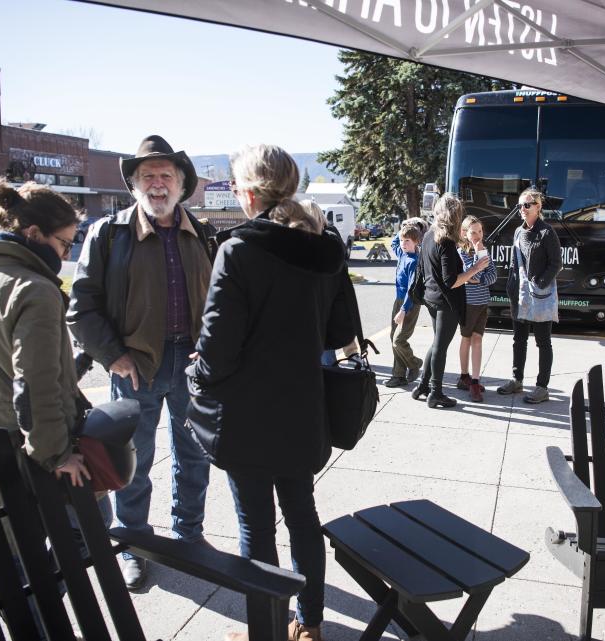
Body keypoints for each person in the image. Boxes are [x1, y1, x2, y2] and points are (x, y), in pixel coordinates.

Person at [186, 144, 353, 641]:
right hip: (304, 408)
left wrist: (195, 378)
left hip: (248, 418)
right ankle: (311, 625)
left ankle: (268, 632)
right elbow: (339, 330)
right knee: (302, 516)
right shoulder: (327, 249)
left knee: (256, 526)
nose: (236, 196)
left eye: (236, 188)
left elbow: (216, 351)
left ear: (252, 193)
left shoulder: (238, 250)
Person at [67, 135, 215, 590]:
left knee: (195, 456)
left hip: (191, 367)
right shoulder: (109, 233)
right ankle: (133, 544)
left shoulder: (203, 233)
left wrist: (210, 352)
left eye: (165, 175)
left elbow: (219, 303)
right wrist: (114, 356)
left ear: (181, 183)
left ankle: (189, 534)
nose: (156, 183)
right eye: (147, 175)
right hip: (136, 367)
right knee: (133, 463)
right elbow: (81, 307)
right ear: (133, 184)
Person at [0, 177, 89, 485]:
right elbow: (34, 386)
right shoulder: (36, 290)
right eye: (65, 244)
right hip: (39, 460)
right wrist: (57, 454)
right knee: (85, 529)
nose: (67, 255)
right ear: (34, 234)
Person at [412, 194, 490, 409]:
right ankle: (436, 393)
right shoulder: (445, 241)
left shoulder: (428, 235)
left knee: (436, 344)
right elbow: (451, 281)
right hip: (445, 302)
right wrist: (475, 269)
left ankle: (423, 385)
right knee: (441, 347)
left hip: (431, 297)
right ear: (455, 215)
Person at [497, 188, 561, 404]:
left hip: (540, 295)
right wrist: (511, 286)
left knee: (543, 342)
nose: (522, 209)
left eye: (527, 205)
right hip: (520, 293)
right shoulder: (518, 231)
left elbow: (556, 263)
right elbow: (516, 263)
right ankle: (517, 380)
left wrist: (540, 283)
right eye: (520, 205)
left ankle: (542, 388)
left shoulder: (546, 232)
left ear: (538, 206)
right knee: (519, 339)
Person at [455, 215, 498, 402]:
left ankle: (475, 380)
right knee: (466, 338)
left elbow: (492, 276)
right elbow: (467, 273)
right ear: (465, 234)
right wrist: (477, 262)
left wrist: (478, 277)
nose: (478, 235)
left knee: (478, 339)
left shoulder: (484, 251)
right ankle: (464, 376)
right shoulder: (461, 251)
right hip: (467, 302)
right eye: (473, 232)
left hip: (482, 301)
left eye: (480, 231)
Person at [384, 222, 423, 387]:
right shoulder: (402, 254)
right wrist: (403, 228)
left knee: (399, 340)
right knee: (393, 337)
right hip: (398, 301)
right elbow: (394, 243)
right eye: (402, 240)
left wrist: (403, 310)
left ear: (416, 242)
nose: (403, 243)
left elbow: (411, 289)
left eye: (407, 241)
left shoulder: (414, 261)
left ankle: (415, 364)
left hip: (410, 303)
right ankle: (398, 375)